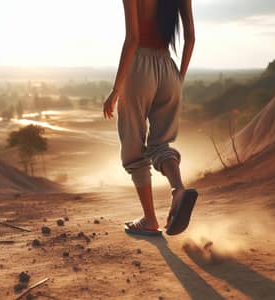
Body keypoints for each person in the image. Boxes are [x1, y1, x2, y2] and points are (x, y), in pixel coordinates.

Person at [103, 0, 197, 236]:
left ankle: (150, 219)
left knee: (134, 147)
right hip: (168, 68)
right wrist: (179, 78)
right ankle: (178, 190)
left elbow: (133, 39)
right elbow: (190, 39)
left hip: (139, 68)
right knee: (161, 144)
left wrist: (115, 90)